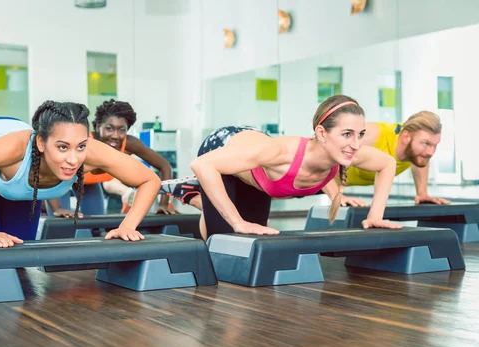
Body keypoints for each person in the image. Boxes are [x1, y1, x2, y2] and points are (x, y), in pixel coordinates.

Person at [0, 101, 161, 248]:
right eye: (62, 147)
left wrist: (127, 226)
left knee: (19, 252)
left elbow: (150, 179)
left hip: (20, 184)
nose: (73, 159)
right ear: (42, 144)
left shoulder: (92, 152)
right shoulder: (12, 149)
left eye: (81, 146)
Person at [160, 95, 403, 240]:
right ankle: (195, 191)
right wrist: (237, 222)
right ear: (321, 133)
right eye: (347, 134)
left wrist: (375, 216)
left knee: (255, 236)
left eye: (360, 134)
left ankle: (196, 194)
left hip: (257, 167)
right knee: (223, 238)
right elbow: (202, 164)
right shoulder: (279, 154)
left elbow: (387, 163)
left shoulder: (344, 151)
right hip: (224, 145)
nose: (356, 144)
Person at [46, 99, 177, 217]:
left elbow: (165, 166)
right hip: (60, 180)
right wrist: (57, 208)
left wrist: (164, 204)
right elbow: (48, 170)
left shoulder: (129, 144)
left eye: (122, 130)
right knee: (60, 222)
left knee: (97, 225)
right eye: (109, 128)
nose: (115, 135)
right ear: (97, 127)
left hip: (89, 184)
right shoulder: (84, 143)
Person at [322, 111, 450, 206]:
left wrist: (422, 193)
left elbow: (421, 160)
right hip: (308, 178)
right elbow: (322, 150)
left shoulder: (416, 148)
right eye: (426, 144)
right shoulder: (372, 134)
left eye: (435, 145)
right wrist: (336, 196)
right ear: (406, 137)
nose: (431, 152)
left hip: (331, 184)